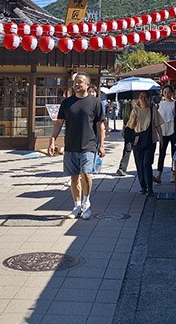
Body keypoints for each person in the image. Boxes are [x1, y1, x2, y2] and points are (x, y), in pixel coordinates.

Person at [49, 72, 106, 220]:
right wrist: (52, 140)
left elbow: (100, 126)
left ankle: (87, 203)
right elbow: (59, 123)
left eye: (80, 82)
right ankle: (77, 205)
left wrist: (102, 145)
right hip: (71, 145)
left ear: (87, 85)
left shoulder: (95, 103)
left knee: (86, 174)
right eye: (75, 82)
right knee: (74, 178)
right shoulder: (67, 103)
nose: (77, 84)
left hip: (88, 145)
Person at [127, 90, 163, 194]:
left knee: (147, 164)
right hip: (137, 141)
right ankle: (143, 186)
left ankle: (150, 187)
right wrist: (133, 119)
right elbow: (130, 126)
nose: (143, 98)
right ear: (138, 98)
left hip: (150, 140)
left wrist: (161, 138)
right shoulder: (135, 111)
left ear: (149, 98)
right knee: (139, 164)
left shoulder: (152, 110)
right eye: (141, 96)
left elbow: (158, 125)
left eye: (145, 96)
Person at [153, 85, 176, 183]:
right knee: (162, 153)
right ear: (162, 94)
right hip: (163, 131)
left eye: (169, 92)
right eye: (165, 92)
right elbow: (158, 118)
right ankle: (158, 174)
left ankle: (174, 174)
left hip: (174, 131)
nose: (167, 94)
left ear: (172, 93)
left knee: (174, 153)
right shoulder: (161, 104)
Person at [116, 97, 134, 177]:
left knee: (139, 152)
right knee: (127, 148)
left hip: (140, 130)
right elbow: (125, 119)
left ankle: (141, 169)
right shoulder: (127, 105)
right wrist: (123, 129)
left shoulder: (143, 104)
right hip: (129, 129)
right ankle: (122, 168)